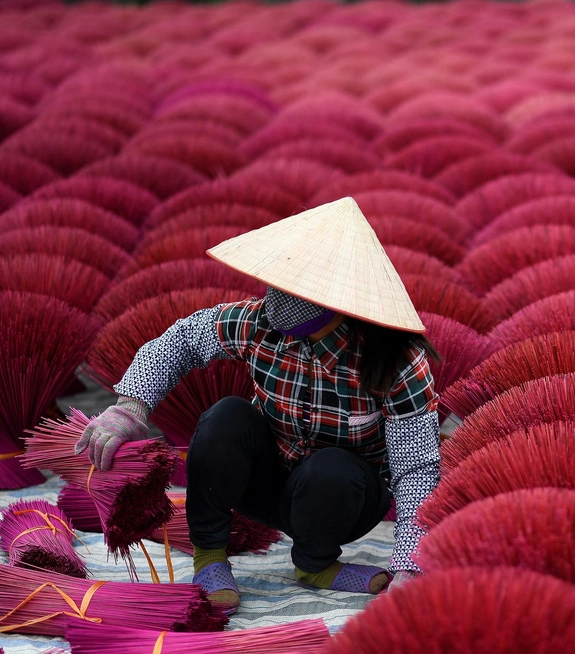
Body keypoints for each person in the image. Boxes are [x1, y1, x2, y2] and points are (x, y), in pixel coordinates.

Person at [74, 196, 442, 614]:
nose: (279, 296)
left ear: (343, 297)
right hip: (265, 482)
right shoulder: (257, 323)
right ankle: (210, 556)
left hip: (341, 500)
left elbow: (416, 471)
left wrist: (411, 564)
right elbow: (179, 341)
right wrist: (131, 407)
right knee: (225, 417)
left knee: (333, 470)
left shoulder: (394, 362)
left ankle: (315, 562)